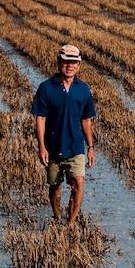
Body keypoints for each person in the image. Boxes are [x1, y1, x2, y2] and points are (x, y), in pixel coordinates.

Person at [31, 44, 97, 225]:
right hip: (53, 146)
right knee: (55, 187)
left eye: (74, 62)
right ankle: (57, 216)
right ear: (59, 62)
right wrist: (42, 147)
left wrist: (90, 147)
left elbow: (86, 120)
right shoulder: (46, 88)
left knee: (78, 183)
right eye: (66, 61)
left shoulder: (83, 89)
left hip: (76, 146)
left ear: (79, 65)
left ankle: (71, 223)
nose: (70, 65)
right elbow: (40, 119)